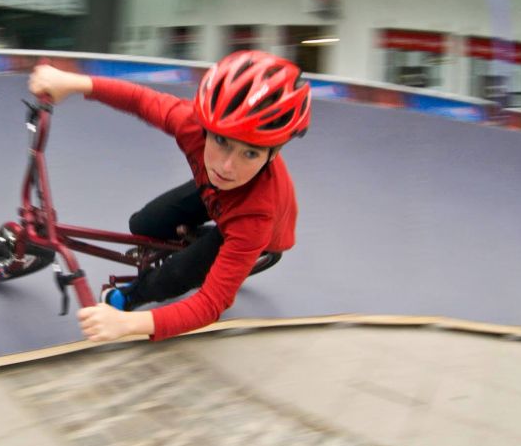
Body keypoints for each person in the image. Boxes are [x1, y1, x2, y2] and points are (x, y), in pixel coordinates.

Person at [28, 50, 311, 343]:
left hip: (245, 217)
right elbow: (140, 100)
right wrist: (72, 82)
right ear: (206, 129)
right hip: (213, 193)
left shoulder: (256, 217)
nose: (227, 167)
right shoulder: (192, 126)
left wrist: (127, 324)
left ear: (273, 153)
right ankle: (199, 241)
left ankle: (133, 295)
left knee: (176, 274)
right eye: (221, 141)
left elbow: (211, 304)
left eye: (250, 153)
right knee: (143, 224)